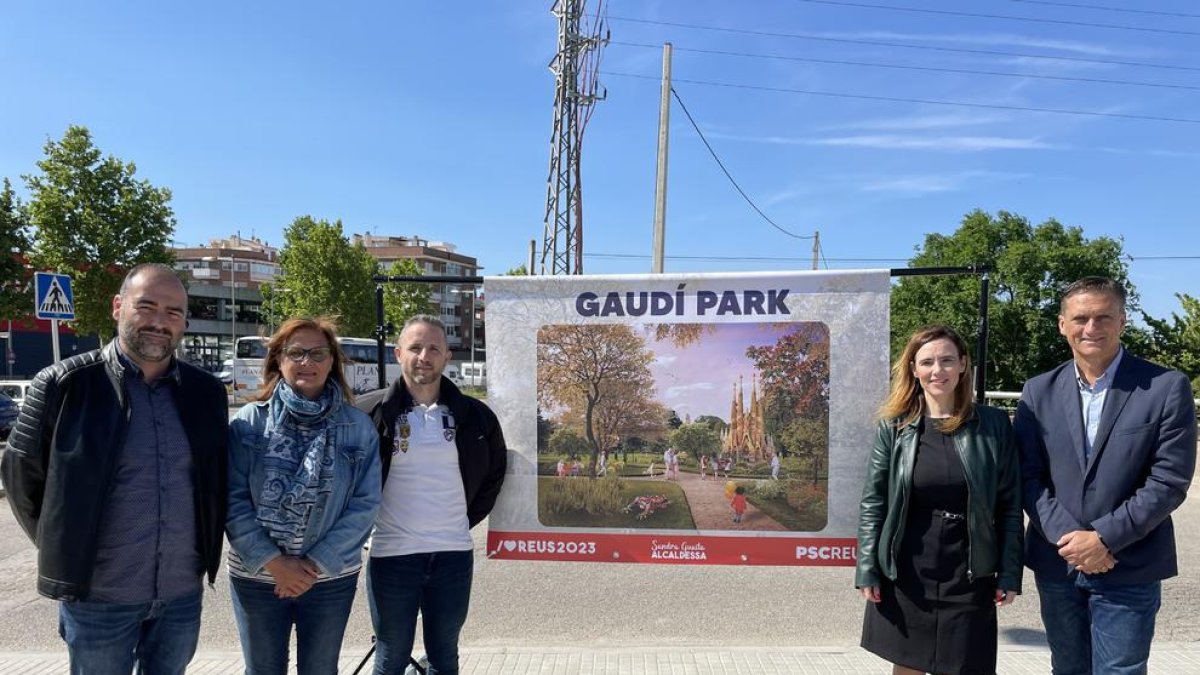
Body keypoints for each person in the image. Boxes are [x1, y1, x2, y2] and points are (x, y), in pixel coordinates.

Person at [1, 263, 229, 674]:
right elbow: (21, 479)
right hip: (98, 600)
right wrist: (70, 548)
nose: (160, 322)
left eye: (173, 312)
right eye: (147, 307)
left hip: (180, 597)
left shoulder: (206, 393)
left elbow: (214, 483)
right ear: (117, 306)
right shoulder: (62, 384)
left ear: (185, 322)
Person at [1015, 277, 1196, 674]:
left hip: (1129, 563)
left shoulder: (1165, 387)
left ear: (1122, 321)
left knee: (1120, 671)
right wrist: (1072, 541)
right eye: (1080, 318)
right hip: (1058, 563)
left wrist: (1104, 540)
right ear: (1062, 324)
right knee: (1067, 668)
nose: (1091, 328)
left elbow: (1169, 479)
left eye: (1103, 317)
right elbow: (1027, 475)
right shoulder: (1037, 391)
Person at [856, 324, 1022, 675]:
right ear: (914, 369)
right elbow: (875, 502)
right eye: (927, 362)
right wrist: (867, 566)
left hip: (969, 569)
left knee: (965, 665)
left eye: (947, 360)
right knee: (909, 666)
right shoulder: (895, 427)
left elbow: (1009, 505)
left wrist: (1009, 572)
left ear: (963, 365)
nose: (938, 370)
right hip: (907, 570)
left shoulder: (992, 425)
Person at [225, 317, 381, 674]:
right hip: (257, 578)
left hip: (328, 579)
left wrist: (312, 566)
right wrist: (275, 563)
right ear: (279, 359)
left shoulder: (357, 427)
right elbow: (231, 500)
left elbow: (365, 504)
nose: (307, 362)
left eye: (317, 353)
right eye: (296, 353)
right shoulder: (248, 422)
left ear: (332, 361)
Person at [357, 315, 507, 675]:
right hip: (392, 556)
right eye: (415, 347)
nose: (424, 356)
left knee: (444, 657)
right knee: (391, 656)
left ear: (447, 357)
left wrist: (459, 521)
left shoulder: (476, 416)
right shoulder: (367, 412)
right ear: (398, 353)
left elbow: (492, 477)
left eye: (434, 348)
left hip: (453, 557)